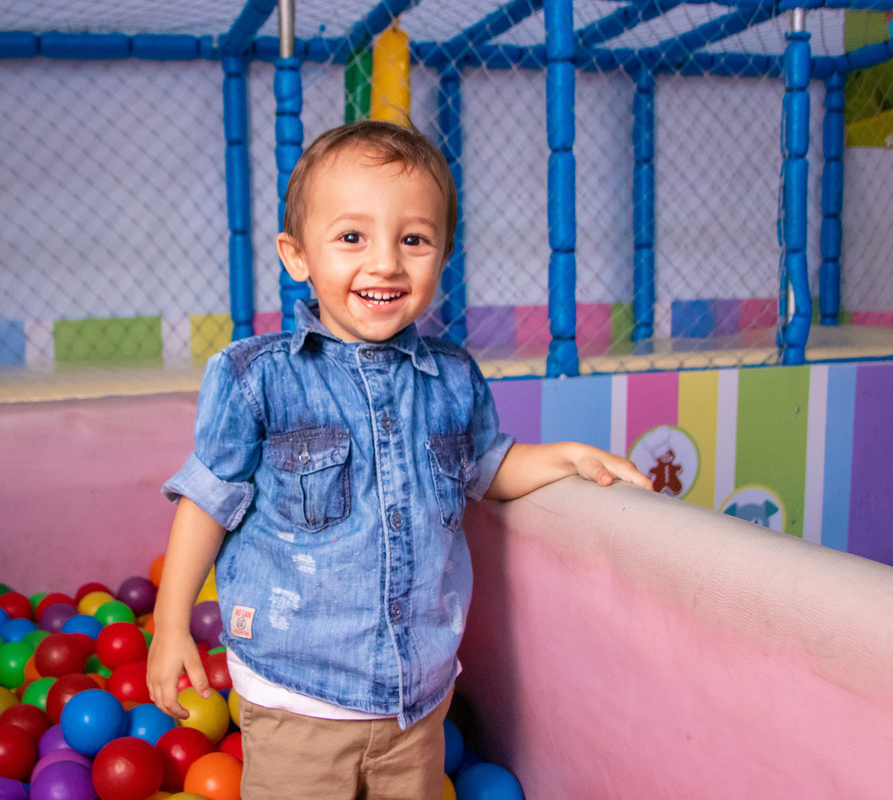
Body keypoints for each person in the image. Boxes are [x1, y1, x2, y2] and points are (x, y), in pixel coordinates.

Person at [146, 120, 650, 799]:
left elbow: (486, 467)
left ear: (441, 255)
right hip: (297, 692)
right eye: (352, 237)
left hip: (417, 695)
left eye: (413, 239)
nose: (385, 262)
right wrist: (171, 623)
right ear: (297, 256)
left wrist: (564, 457)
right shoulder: (256, 378)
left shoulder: (453, 377)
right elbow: (208, 500)